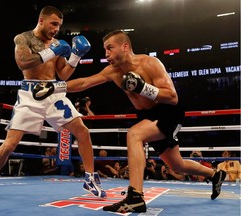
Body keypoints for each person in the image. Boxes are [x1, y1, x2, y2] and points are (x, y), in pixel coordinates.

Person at [61, 30, 226, 212]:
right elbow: (84, 82)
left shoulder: (150, 63)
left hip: (168, 112)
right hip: (146, 116)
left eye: (110, 48)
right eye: (105, 50)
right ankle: (215, 174)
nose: (106, 54)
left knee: (134, 134)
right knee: (176, 164)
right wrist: (55, 87)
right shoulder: (112, 71)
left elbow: (172, 97)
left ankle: (135, 197)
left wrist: (143, 87)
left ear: (125, 47)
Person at [0, 6, 106, 199]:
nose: (56, 29)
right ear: (41, 20)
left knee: (82, 131)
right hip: (30, 95)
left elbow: (63, 74)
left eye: (59, 25)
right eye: (53, 24)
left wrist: (75, 56)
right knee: (10, 144)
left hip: (53, 93)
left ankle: (90, 178)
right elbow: (23, 62)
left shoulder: (57, 43)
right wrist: (51, 52)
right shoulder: (23, 38)